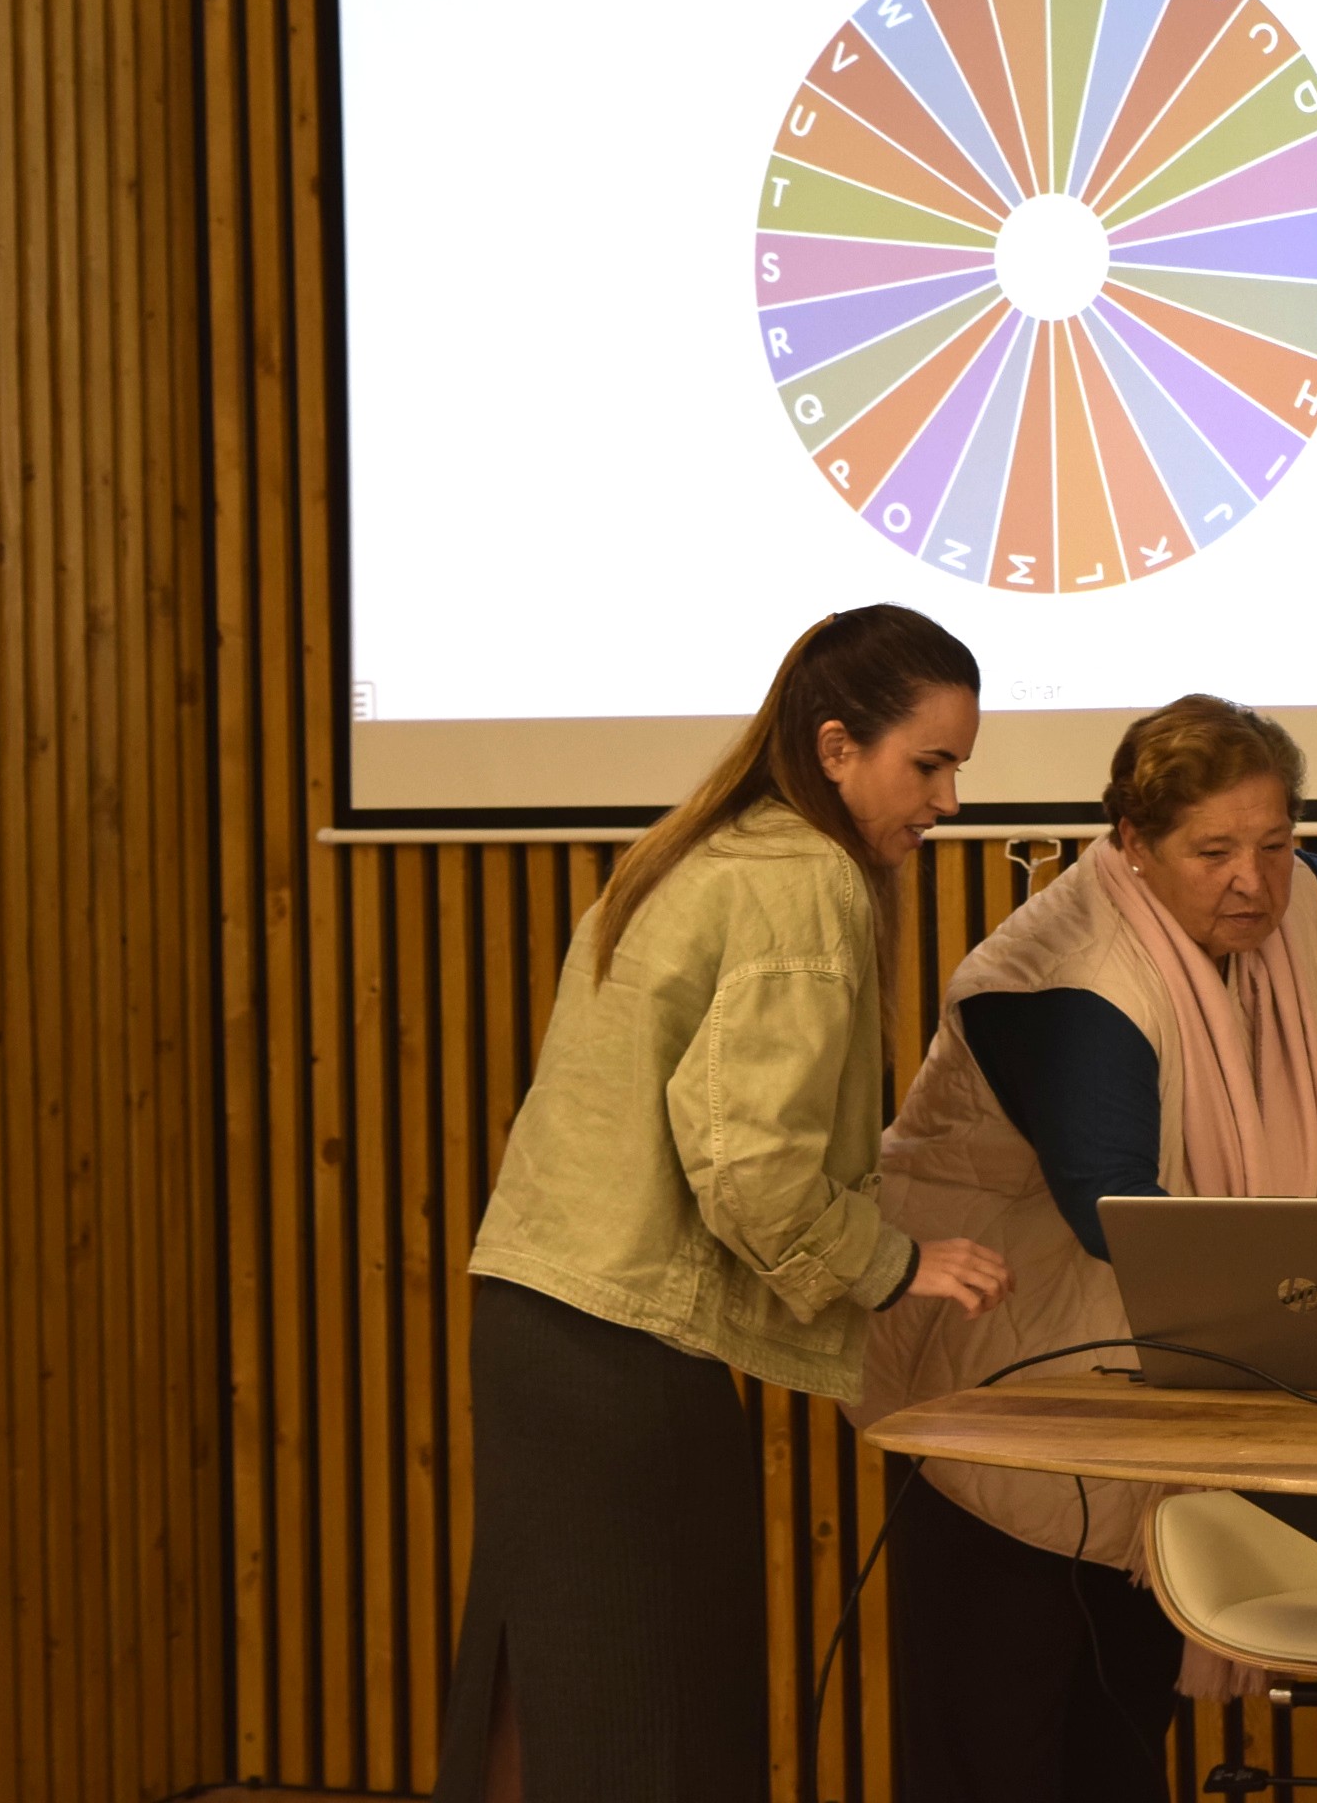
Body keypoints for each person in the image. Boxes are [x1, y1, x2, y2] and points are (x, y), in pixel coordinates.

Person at [855, 693, 1317, 1802]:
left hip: (1137, 1412)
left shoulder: (1284, 900)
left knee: (1116, 1755)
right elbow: (1127, 1222)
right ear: (1132, 842)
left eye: (1274, 844)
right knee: (998, 1763)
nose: (1252, 881)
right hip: (1000, 1416)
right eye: (1213, 852)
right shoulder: (1071, 985)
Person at [435, 605, 1016, 1803]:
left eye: (958, 765)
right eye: (932, 763)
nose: (950, 799)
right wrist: (897, 1262)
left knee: (548, 1686)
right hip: (623, 1348)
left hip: (542, 1319)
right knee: (642, 1716)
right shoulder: (801, 879)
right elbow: (751, 1165)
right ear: (838, 744)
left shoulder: (711, 846)